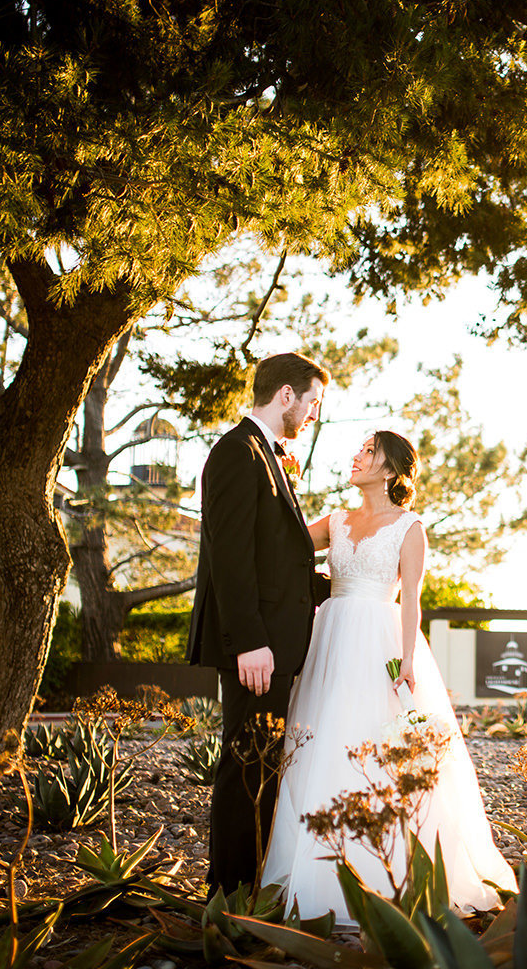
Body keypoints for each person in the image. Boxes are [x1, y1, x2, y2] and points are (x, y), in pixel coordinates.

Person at [261, 431, 517, 921]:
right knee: (321, 740)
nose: (356, 457)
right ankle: (313, 869)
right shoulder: (336, 520)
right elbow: (284, 538)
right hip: (329, 636)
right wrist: (286, 480)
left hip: (378, 637)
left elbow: (412, 599)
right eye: (358, 450)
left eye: (368, 452)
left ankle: (388, 872)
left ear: (390, 469)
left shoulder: (409, 527)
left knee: (375, 744)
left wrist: (407, 659)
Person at [187, 352, 329, 895]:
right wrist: (249, 641)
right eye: (312, 401)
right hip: (255, 648)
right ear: (286, 396)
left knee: (263, 764)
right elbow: (230, 557)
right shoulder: (236, 453)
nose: (314, 413)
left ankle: (249, 883)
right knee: (246, 765)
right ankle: (230, 894)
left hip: (273, 644)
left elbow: (275, 560)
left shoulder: (265, 455)